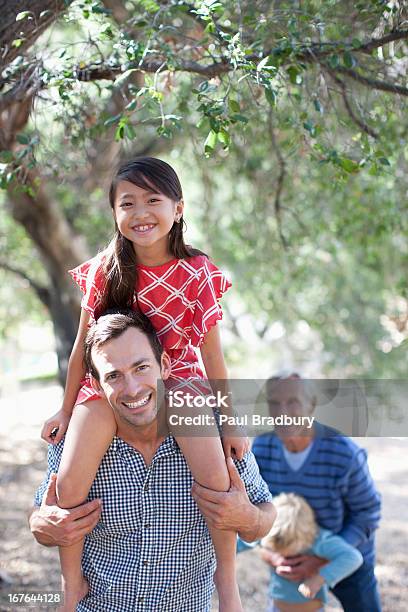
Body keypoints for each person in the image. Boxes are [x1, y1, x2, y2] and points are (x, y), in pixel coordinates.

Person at [39, 157, 249, 612]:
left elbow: (213, 357)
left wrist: (230, 423)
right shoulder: (104, 269)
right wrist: (65, 407)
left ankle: (226, 579)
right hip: (114, 382)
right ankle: (71, 582)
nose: (141, 212)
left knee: (216, 479)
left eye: (154, 200)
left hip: (183, 380)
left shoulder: (197, 272)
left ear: (178, 208)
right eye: (127, 202)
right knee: (71, 483)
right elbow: (80, 350)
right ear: (114, 213)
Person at [30, 311, 275, 611]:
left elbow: (265, 510)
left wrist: (249, 518)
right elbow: (43, 513)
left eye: (141, 367)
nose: (131, 388)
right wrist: (40, 525)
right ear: (95, 384)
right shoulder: (75, 440)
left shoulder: (213, 433)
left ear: (165, 366)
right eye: (113, 375)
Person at [252, 373, 382, 612]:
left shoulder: (344, 453)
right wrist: (271, 554)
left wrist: (322, 560)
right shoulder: (261, 449)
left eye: (293, 402)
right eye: (274, 403)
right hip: (291, 557)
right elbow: (256, 509)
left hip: (343, 554)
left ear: (311, 406)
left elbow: (368, 513)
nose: (282, 412)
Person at [261, 492, 362, 611]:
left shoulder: (318, 540)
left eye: (288, 547)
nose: (284, 553)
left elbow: (353, 557)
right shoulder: (272, 537)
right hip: (276, 607)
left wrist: (318, 579)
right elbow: (245, 542)